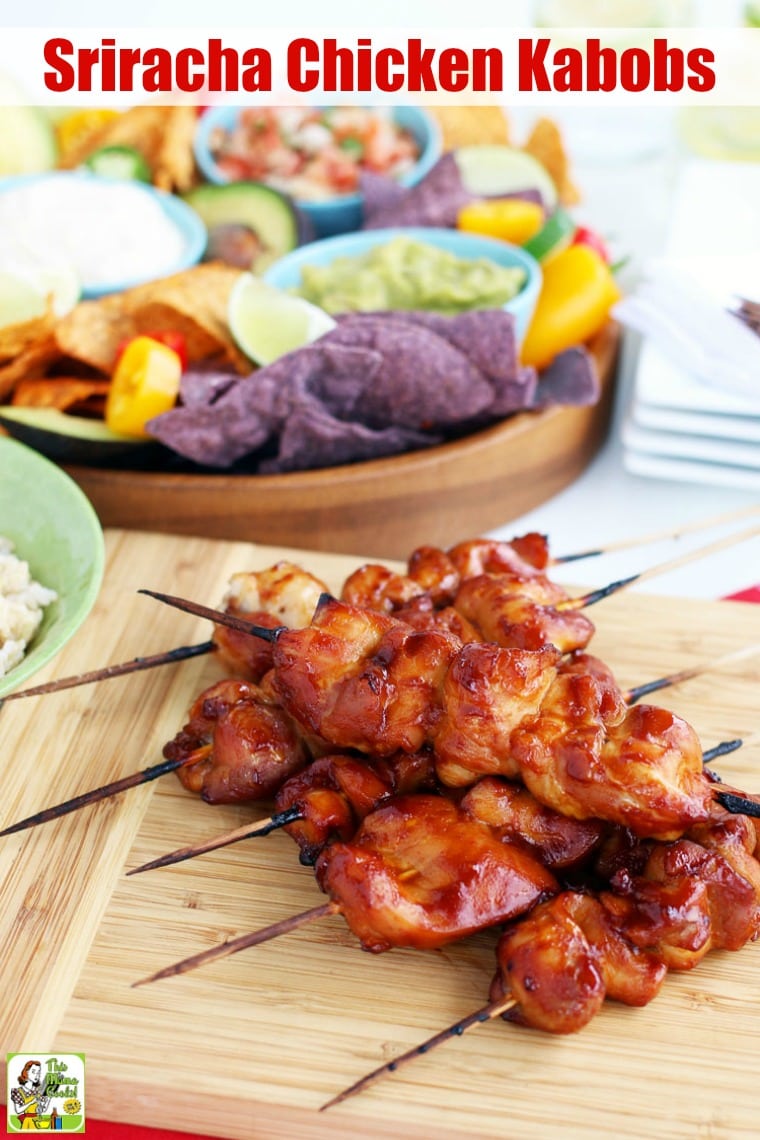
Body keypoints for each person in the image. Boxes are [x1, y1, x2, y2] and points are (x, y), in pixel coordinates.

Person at [9, 1060, 51, 1130]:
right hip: (27, 1122)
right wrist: (31, 1102)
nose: (37, 1075)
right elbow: (18, 1111)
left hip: (37, 1122)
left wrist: (49, 1097)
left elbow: (42, 1110)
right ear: (26, 1072)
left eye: (38, 1073)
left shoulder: (37, 1091)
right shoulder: (17, 1092)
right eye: (34, 1072)